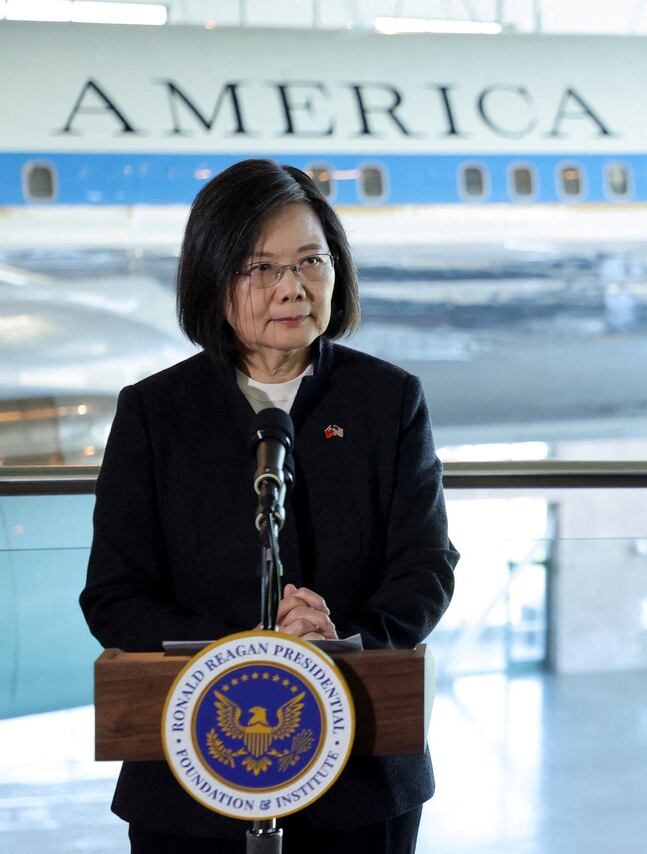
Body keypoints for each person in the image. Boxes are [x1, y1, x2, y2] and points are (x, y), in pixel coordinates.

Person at [79, 159, 459, 853]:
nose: (293, 287)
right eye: (261, 268)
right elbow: (113, 595)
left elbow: (426, 567)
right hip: (193, 778)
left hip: (361, 777)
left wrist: (340, 638)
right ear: (211, 279)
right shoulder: (154, 413)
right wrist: (243, 655)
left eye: (311, 261)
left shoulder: (387, 399)